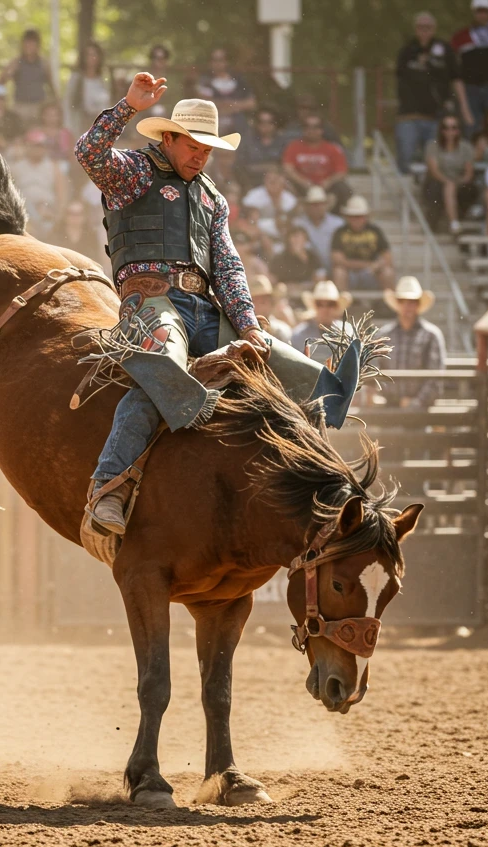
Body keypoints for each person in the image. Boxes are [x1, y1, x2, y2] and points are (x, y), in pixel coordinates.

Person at [74, 74, 343, 533]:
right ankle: (108, 487)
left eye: (208, 149)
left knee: (276, 364)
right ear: (171, 138)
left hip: (202, 306)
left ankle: (324, 429)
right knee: (162, 362)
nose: (201, 156)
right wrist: (127, 106)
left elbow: (229, 268)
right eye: (193, 145)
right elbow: (89, 153)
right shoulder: (136, 172)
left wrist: (250, 328)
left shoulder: (211, 198)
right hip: (150, 298)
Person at [394, 12, 470, 172]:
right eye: (421, 27)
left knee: (435, 162)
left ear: (434, 29)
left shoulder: (445, 50)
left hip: (436, 117)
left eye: (428, 27)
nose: (424, 31)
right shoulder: (407, 51)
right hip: (409, 117)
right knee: (406, 159)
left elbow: (456, 79)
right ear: (415, 29)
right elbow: (399, 79)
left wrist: (464, 108)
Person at [376, 276, 445, 408]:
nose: (407, 306)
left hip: (422, 410)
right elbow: (377, 371)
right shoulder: (384, 334)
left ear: (418, 305)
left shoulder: (431, 335)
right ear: (397, 304)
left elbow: (436, 376)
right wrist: (393, 398)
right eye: (402, 301)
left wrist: (418, 402)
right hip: (390, 407)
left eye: (412, 301)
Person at [451, 0, 488, 136]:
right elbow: (452, 61)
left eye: (486, 11)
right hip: (470, 89)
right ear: (474, 12)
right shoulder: (461, 36)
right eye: (479, 11)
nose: (482, 14)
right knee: (471, 127)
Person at [422, 113, 477, 234]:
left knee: (465, 188)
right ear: (441, 130)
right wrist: (448, 182)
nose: (450, 131)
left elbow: (469, 173)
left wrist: (455, 183)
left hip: (459, 182)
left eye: (454, 128)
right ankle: (453, 223)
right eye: (446, 128)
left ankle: (455, 223)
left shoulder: (466, 147)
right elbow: (434, 170)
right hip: (438, 182)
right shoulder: (433, 145)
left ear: (458, 130)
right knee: (442, 188)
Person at [280, 114, 351, 207]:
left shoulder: (332, 148)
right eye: (307, 127)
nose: (311, 130)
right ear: (303, 129)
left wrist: (328, 182)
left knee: (343, 187)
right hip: (301, 186)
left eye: (315, 127)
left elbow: (341, 172)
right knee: (285, 183)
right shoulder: (293, 146)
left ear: (321, 130)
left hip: (326, 186)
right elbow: (287, 168)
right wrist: (303, 181)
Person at [330, 195, 395, 293]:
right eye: (352, 216)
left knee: (388, 272)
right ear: (347, 217)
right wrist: (367, 265)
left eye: (359, 216)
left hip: (372, 273)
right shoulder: (340, 232)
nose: (356, 219)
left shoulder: (375, 231)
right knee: (339, 272)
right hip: (349, 273)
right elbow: (337, 260)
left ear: (366, 217)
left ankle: (388, 306)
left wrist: (378, 265)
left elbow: (388, 258)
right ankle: (341, 306)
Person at [10, 129, 67, 242]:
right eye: (35, 146)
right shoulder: (16, 168)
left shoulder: (54, 167)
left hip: (47, 211)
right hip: (24, 213)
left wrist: (58, 217)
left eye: (41, 146)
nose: (38, 149)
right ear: (28, 146)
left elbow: (62, 194)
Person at [197, 47, 257, 140]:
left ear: (227, 61)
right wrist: (237, 106)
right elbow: (206, 105)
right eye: (214, 60)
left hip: (238, 127)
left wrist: (225, 106)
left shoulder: (239, 80)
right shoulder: (205, 81)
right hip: (213, 127)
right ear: (210, 62)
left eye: (221, 59)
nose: (218, 63)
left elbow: (251, 103)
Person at [0, 29, 54, 125]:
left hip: (39, 106)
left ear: (38, 45)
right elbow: (1, 81)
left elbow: (51, 86)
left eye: (32, 43)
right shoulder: (16, 62)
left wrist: (54, 103)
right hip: (20, 105)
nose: (29, 46)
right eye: (27, 43)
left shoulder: (44, 63)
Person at [242, 167, 298, 251]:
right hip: (260, 234)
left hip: (283, 234)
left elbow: (292, 221)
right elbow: (247, 219)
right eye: (270, 180)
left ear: (283, 182)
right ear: (265, 181)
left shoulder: (290, 199)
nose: (273, 183)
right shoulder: (254, 196)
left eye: (276, 180)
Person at [292, 280, 352, 356]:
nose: (325, 309)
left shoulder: (347, 331)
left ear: (336, 306)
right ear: (315, 306)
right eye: (320, 304)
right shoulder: (300, 334)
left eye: (330, 304)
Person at [292, 185, 343, 272]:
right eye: (313, 204)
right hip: (308, 269)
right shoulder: (298, 223)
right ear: (306, 206)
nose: (317, 208)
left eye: (320, 204)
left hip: (334, 267)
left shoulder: (338, 223)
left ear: (326, 205)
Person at [65, 42, 111, 135]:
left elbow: (109, 102)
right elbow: (68, 103)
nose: (91, 58)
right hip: (80, 123)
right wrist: (68, 127)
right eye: (88, 55)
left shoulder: (105, 78)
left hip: (101, 124)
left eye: (94, 54)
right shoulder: (76, 78)